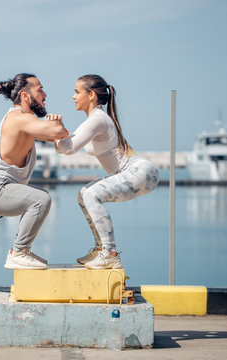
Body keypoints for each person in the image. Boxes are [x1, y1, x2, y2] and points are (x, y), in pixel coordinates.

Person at [55, 74, 159, 269]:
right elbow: (66, 143)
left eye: (77, 92)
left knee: (92, 193)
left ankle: (110, 253)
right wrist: (53, 133)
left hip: (140, 171)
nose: (73, 96)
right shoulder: (94, 119)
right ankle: (100, 249)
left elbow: (67, 148)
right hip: (135, 173)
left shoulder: (98, 119)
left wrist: (50, 131)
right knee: (83, 194)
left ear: (92, 95)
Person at [0, 73, 68, 270]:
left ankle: (22, 252)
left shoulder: (27, 123)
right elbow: (57, 133)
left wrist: (58, 130)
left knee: (39, 200)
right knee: (40, 199)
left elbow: (59, 138)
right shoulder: (18, 118)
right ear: (25, 96)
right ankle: (19, 252)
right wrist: (57, 124)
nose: (45, 95)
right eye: (40, 90)